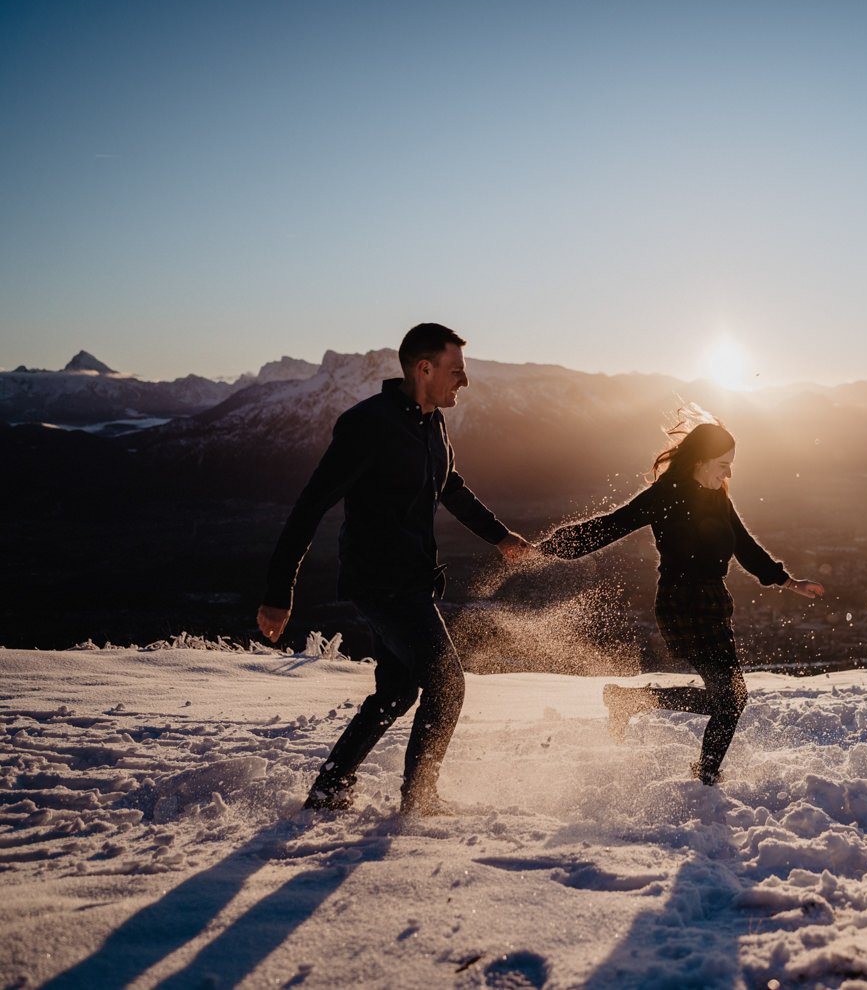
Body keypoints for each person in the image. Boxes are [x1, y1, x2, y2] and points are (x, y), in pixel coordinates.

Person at [256, 323, 532, 816]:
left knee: (399, 690)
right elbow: (310, 505)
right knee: (448, 685)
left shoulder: (431, 422)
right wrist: (280, 592)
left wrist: (500, 537)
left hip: (413, 582)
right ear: (424, 369)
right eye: (456, 371)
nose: (463, 382)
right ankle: (418, 798)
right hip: (380, 584)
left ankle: (329, 789)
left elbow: (450, 485)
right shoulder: (369, 424)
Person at [539, 411, 822, 785]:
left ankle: (635, 703)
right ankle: (705, 776)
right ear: (701, 460)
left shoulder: (717, 495)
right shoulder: (667, 494)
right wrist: (545, 549)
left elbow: (744, 545)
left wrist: (786, 581)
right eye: (723, 465)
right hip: (682, 603)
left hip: (711, 601)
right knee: (731, 699)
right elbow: (611, 525)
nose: (728, 474)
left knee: (728, 699)